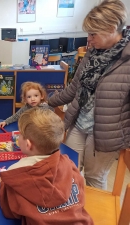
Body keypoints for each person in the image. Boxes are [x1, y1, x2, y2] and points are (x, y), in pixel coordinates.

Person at [48, 0, 130, 190]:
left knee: (94, 179)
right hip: (78, 123)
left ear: (111, 29)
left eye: (93, 34)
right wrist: (47, 102)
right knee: (68, 170)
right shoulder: (91, 54)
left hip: (105, 134)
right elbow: (73, 89)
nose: (89, 40)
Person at [0, 108, 93, 225]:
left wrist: (4, 183)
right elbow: (80, 192)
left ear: (28, 144)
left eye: (20, 135)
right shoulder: (69, 164)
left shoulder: (17, 175)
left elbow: (9, 211)